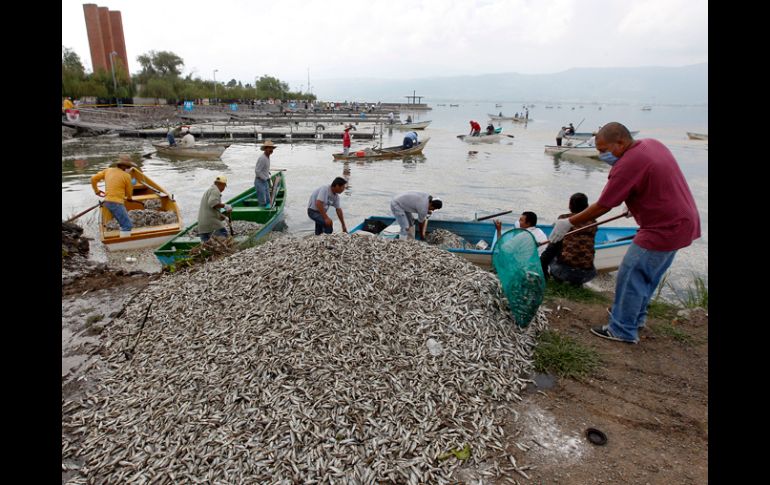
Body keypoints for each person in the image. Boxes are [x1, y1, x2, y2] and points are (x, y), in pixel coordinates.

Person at [548, 122, 701, 344]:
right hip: (683, 221)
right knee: (647, 277)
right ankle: (634, 318)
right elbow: (656, 180)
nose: (601, 155)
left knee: (630, 275)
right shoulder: (652, 144)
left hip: (662, 229)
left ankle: (622, 330)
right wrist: (636, 203)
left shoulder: (626, 164)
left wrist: (568, 223)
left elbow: (603, 205)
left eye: (603, 150)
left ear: (620, 142)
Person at [540, 193, 598, 285]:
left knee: (549, 252)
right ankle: (576, 284)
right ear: (587, 206)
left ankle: (551, 280)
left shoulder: (564, 219)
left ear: (570, 205)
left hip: (566, 272)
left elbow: (552, 248)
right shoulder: (593, 222)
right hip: (588, 274)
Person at [90, 154, 138, 238]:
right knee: (127, 226)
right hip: (116, 203)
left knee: (123, 222)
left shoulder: (108, 170)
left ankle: (120, 236)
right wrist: (129, 198)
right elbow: (129, 192)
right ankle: (123, 246)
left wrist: (97, 191)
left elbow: (93, 179)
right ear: (127, 166)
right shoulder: (127, 176)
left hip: (107, 201)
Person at [197, 175, 232, 242]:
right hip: (212, 224)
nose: (223, 189)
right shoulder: (215, 191)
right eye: (224, 187)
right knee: (224, 238)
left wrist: (224, 217)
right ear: (222, 184)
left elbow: (211, 209)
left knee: (207, 246)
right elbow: (212, 203)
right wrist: (225, 206)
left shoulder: (209, 190)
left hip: (202, 226)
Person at [254, 140, 276, 206]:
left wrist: (267, 173)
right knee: (262, 201)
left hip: (265, 181)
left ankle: (268, 210)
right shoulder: (262, 158)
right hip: (260, 182)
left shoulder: (267, 157)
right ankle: (261, 214)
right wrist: (265, 178)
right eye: (269, 148)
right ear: (265, 149)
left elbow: (263, 169)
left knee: (268, 200)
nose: (271, 149)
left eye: (271, 148)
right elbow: (257, 171)